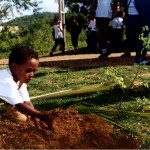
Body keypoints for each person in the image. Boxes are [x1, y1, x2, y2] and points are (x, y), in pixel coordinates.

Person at [0, 45, 48, 126]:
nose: (32, 74)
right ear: (14, 66)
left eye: (34, 71)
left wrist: (36, 118)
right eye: (28, 70)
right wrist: (43, 116)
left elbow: (26, 102)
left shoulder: (19, 80)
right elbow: (21, 106)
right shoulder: (6, 81)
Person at [133, 0, 150, 65]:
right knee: (144, 39)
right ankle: (139, 59)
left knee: (144, 38)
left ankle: (140, 58)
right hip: (146, 18)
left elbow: (137, 5)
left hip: (143, 18)